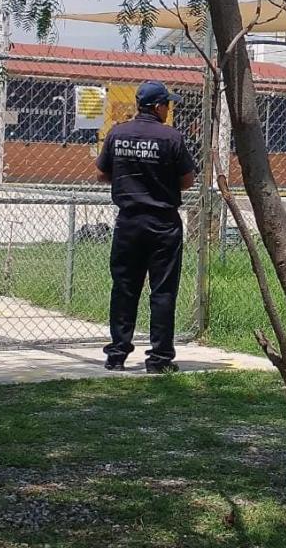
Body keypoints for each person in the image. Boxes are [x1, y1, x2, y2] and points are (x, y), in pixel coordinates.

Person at [96, 80, 197, 374]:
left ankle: (117, 355)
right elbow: (187, 180)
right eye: (167, 104)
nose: (169, 109)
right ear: (157, 106)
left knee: (125, 288)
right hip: (163, 224)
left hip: (128, 222)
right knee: (162, 291)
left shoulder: (118, 133)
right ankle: (159, 358)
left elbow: (102, 173)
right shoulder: (171, 137)